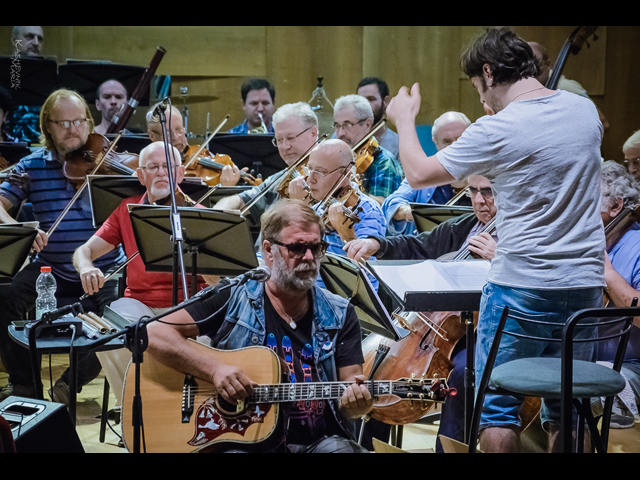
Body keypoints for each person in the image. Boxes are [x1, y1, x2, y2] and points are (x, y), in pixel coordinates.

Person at [385, 26, 605, 453]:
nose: (480, 100)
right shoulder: (585, 112)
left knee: (497, 409)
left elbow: (417, 173)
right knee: (569, 406)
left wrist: (406, 119)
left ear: (488, 72)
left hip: (522, 287)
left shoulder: (498, 128)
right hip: (585, 285)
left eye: (476, 87)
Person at [145, 198, 373, 453]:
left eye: (316, 247)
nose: (309, 257)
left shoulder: (340, 313)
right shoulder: (234, 296)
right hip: (240, 441)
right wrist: (214, 370)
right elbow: (154, 333)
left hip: (318, 444)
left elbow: (351, 385)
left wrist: (357, 404)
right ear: (268, 250)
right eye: (297, 248)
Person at [345, 174, 497, 452]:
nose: (478, 200)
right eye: (473, 191)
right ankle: (362, 448)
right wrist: (377, 244)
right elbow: (418, 246)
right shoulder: (465, 226)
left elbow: (540, 280)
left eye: (488, 192)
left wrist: (501, 259)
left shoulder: (524, 235)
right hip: (436, 330)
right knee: (374, 373)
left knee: (462, 376)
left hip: (488, 334)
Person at [0, 88, 126, 402]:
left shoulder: (107, 166)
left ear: (89, 122)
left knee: (122, 320)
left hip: (104, 269)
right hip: (50, 269)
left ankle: (68, 385)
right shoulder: (32, 166)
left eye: (78, 121)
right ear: (48, 128)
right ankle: (25, 383)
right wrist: (21, 228)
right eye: (62, 123)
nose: (72, 129)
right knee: (4, 297)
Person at [72, 141, 212, 409]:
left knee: (206, 340)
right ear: (141, 175)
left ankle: (177, 411)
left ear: (180, 174)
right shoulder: (126, 209)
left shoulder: (199, 214)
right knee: (110, 333)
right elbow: (84, 250)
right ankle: (136, 410)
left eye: (168, 167)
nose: (161, 173)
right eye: (153, 167)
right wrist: (87, 266)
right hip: (139, 304)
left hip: (187, 307)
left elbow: (217, 281)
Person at [214, 101, 319, 216]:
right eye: (279, 140)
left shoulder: (328, 179)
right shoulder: (278, 180)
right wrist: (217, 212)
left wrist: (300, 205)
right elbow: (241, 201)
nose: (284, 146)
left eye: (291, 138)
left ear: (313, 133)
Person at [596, 160, 640, 428]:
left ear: (616, 206)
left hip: (629, 365)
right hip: (576, 358)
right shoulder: (582, 243)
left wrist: (609, 275)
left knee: (574, 391)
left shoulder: (637, 246)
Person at [289, 139, 386, 261]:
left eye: (320, 172)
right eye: (309, 170)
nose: (310, 180)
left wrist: (346, 234)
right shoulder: (317, 207)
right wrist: (299, 209)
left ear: (346, 173)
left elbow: (367, 273)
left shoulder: (367, 210)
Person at [382, 111, 471, 236]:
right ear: (436, 142)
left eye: (460, 139)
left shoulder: (487, 173)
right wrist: (413, 213)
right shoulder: (425, 172)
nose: (454, 147)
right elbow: (391, 203)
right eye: (447, 141)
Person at [147, 102, 246, 186]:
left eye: (179, 130)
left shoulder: (201, 154)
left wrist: (228, 183)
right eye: (168, 133)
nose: (176, 137)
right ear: (152, 136)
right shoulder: (147, 169)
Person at [333, 94, 403, 205]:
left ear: (367, 124)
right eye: (337, 126)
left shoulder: (383, 161)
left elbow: (383, 207)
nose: (341, 133)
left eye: (347, 125)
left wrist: (349, 191)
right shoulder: (335, 159)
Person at [528, 41, 610, 132]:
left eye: (536, 63)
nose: (530, 70)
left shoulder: (566, 87)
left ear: (548, 64)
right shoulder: (530, 91)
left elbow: (603, 124)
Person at [356, 77, 399, 161]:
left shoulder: (398, 144)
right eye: (360, 100)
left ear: (385, 101)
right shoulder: (342, 136)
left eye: (371, 99)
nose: (364, 105)